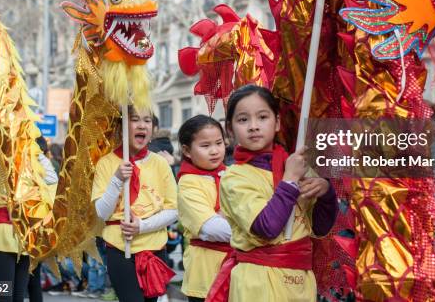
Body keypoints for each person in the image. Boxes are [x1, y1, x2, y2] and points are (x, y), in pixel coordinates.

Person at [209, 85, 338, 301]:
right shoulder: (235, 177)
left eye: (262, 117)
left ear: (277, 122)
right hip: (258, 284)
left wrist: (325, 192)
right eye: (242, 120)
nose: (253, 126)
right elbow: (266, 228)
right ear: (230, 129)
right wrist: (289, 181)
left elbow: (320, 227)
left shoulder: (296, 166)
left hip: (300, 282)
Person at [92, 106, 178, 302]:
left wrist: (142, 226)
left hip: (155, 247)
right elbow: (102, 214)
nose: (142, 125)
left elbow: (173, 210)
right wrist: (116, 180)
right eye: (135, 119)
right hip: (120, 248)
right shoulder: (106, 163)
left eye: (147, 120)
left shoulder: (161, 163)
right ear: (121, 127)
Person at [0, 136, 58, 302]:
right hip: (2, 235)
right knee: (4, 297)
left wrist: (33, 150)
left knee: (18, 297)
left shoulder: (28, 164)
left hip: (25, 236)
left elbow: (52, 177)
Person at [177, 115, 231, 302]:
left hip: (240, 270)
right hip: (205, 274)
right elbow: (211, 229)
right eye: (205, 146)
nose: (215, 151)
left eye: (219, 143)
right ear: (187, 150)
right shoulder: (188, 183)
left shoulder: (233, 175)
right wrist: (256, 230)